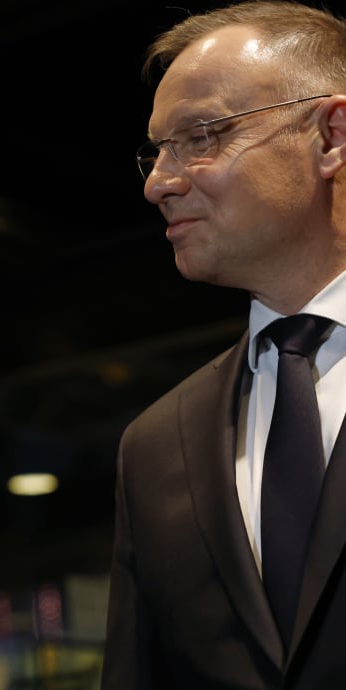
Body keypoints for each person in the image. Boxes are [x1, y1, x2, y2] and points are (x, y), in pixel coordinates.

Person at [102, 1, 346, 687]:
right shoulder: (153, 444)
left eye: (199, 135)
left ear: (330, 136)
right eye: (155, 150)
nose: (158, 183)